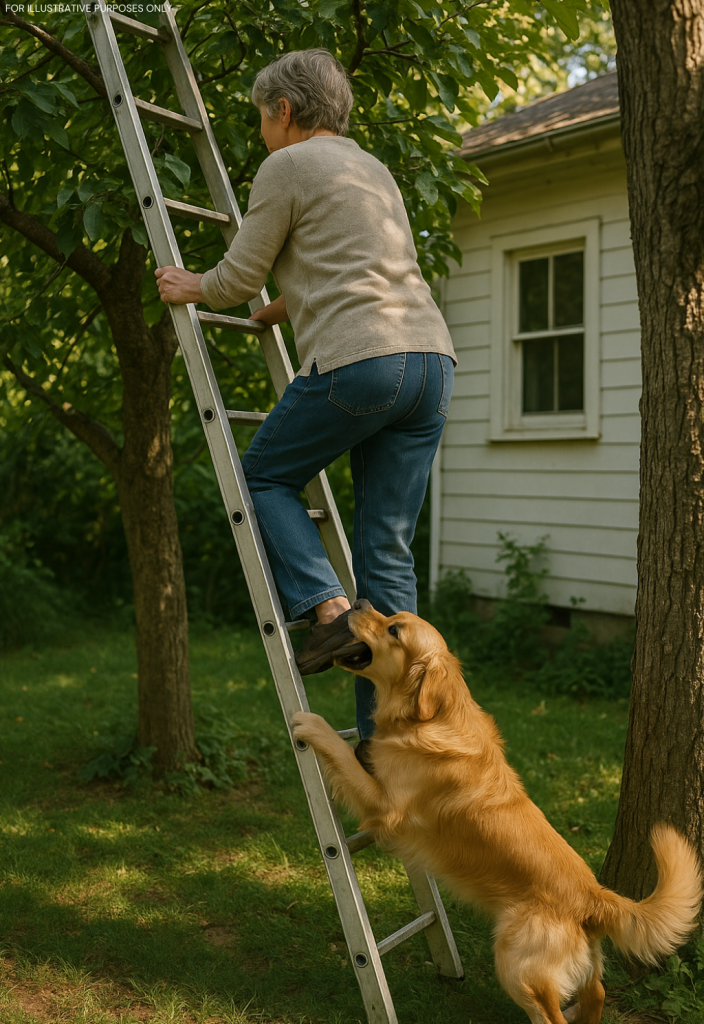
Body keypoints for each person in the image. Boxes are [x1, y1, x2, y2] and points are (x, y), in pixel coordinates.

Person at [155, 49, 456, 760]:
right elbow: (355, 263)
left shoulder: (287, 165)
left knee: (261, 476)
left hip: (363, 363)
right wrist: (281, 311)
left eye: (261, 118)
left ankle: (326, 610)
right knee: (386, 549)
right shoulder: (371, 168)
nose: (261, 131)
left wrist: (190, 284)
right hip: (431, 365)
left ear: (282, 111)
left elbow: (236, 275)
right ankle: (392, 740)